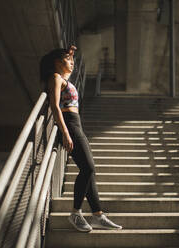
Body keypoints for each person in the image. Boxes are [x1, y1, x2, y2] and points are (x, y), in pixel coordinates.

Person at [39, 45, 122, 232]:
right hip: (69, 125)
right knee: (89, 167)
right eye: (68, 60)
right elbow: (55, 106)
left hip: (77, 125)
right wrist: (66, 133)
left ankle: (98, 215)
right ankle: (76, 213)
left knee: (89, 170)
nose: (73, 63)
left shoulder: (63, 78)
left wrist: (69, 54)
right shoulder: (55, 78)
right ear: (57, 62)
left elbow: (66, 73)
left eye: (73, 60)